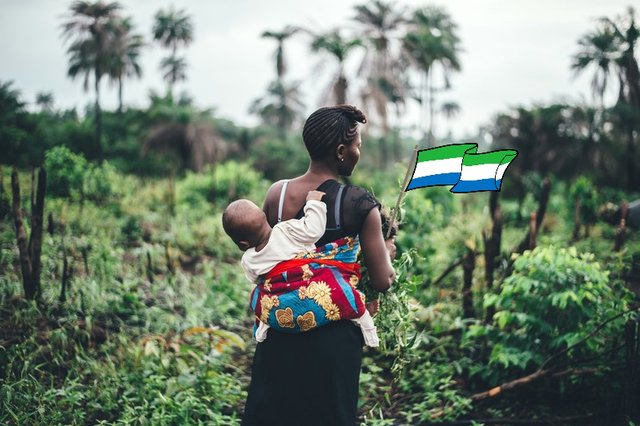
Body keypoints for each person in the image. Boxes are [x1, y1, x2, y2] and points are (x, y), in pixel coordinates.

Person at [241, 104, 396, 426]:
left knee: (275, 415)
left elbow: (272, 256)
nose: (358, 152)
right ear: (341, 151)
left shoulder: (277, 194)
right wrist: (388, 253)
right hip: (333, 340)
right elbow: (382, 281)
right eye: (357, 146)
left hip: (280, 329)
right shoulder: (360, 204)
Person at [221, 190, 379, 347]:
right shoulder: (285, 230)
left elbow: (257, 280)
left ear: (242, 244)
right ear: (264, 216)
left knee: (258, 295)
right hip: (309, 287)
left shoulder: (248, 259)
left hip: (281, 305)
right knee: (340, 289)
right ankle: (366, 325)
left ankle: (263, 326)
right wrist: (314, 202)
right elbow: (313, 230)